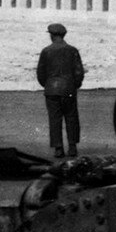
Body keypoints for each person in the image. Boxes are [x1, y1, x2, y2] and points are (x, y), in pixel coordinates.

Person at [37, 21, 86, 159]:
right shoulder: (72, 50)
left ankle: (58, 148)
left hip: (51, 90)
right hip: (68, 89)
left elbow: (40, 73)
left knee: (54, 119)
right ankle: (72, 147)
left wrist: (48, 85)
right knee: (71, 118)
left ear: (52, 35)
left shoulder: (46, 51)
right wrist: (74, 85)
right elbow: (79, 72)